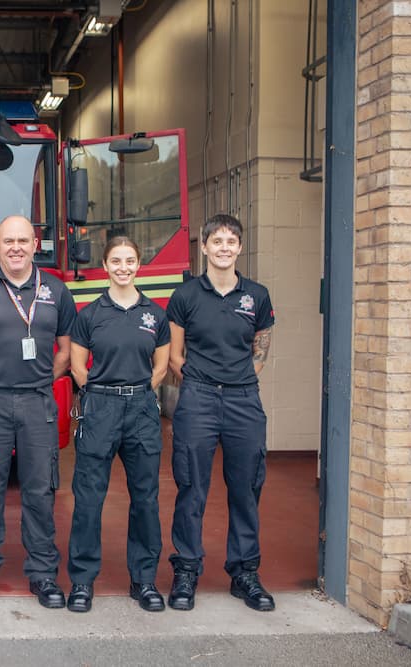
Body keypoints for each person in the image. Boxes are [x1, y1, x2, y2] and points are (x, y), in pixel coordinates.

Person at [0, 215, 76, 609]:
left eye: (23, 240)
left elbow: (66, 350)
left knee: (40, 491)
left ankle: (43, 575)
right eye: (8, 241)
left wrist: (42, 378)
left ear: (35, 244)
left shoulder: (56, 290)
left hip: (37, 400)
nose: (16, 248)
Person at [166, 213, 276, 612]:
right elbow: (176, 355)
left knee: (246, 488)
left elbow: (260, 350)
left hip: (244, 399)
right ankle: (187, 570)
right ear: (205, 246)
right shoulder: (186, 296)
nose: (224, 248)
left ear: (240, 248)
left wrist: (239, 380)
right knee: (192, 486)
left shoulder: (257, 296)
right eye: (217, 241)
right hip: (198, 399)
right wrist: (202, 382)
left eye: (232, 241)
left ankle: (244, 572)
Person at [65, 237, 171, 614]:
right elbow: (78, 366)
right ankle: (81, 581)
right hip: (100, 409)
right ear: (105, 266)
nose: (123, 267)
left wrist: (137, 393)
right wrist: (100, 396)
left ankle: (144, 581)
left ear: (138, 264)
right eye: (115, 261)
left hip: (141, 409)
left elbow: (161, 367)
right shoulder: (90, 314)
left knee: (145, 499)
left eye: (129, 260)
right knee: (89, 500)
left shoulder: (154, 315)